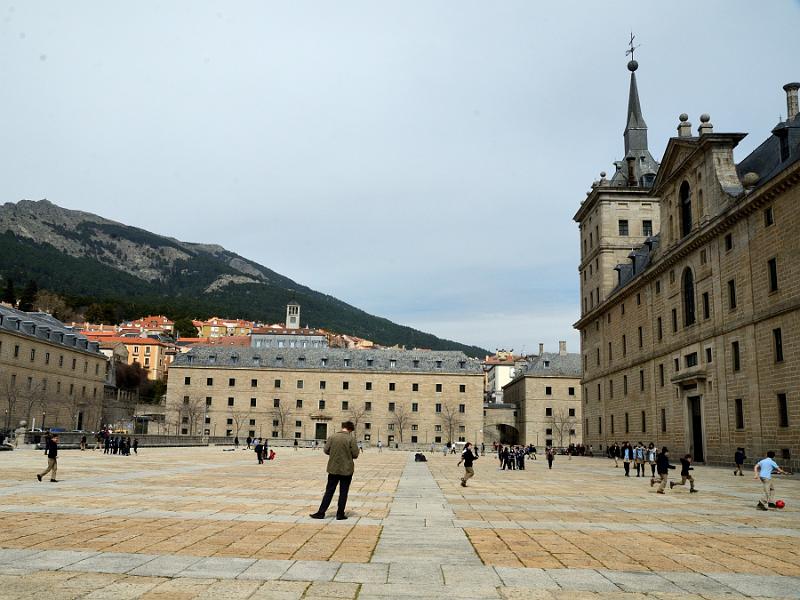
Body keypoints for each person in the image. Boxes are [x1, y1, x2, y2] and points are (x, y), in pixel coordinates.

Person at [310, 421, 360, 520]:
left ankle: (321, 513)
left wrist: (333, 454)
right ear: (350, 429)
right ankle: (340, 514)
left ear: (343, 427)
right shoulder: (351, 439)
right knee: (343, 492)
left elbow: (326, 450)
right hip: (347, 470)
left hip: (333, 468)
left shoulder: (332, 437)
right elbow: (355, 454)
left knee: (329, 491)